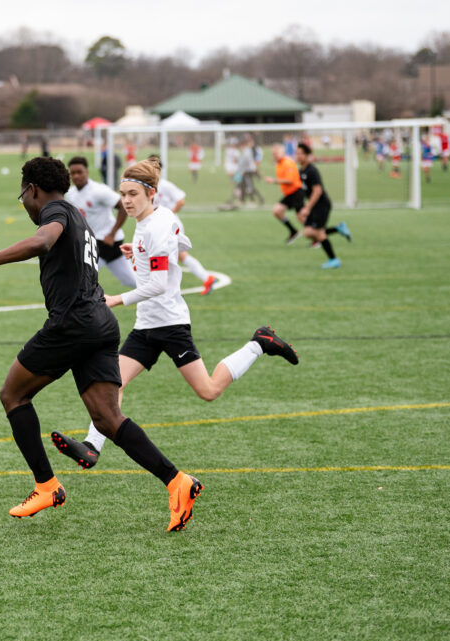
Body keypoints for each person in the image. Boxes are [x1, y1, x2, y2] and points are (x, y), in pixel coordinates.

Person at [0, 156, 204, 532]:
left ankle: (46, 486)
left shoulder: (55, 211)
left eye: (24, 197)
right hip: (101, 323)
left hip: (72, 324)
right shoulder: (80, 216)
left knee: (13, 395)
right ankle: (177, 481)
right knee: (107, 417)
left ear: (32, 189)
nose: (27, 206)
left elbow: (42, 240)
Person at [50, 157, 299, 486]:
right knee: (114, 385)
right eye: (123, 194)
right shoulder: (155, 220)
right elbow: (182, 243)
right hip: (145, 327)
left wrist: (117, 299)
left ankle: (259, 343)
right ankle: (92, 447)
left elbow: (158, 285)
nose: (126, 200)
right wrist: (137, 251)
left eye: (133, 194)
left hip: (170, 325)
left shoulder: (155, 225)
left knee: (208, 391)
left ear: (151, 194)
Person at [65, 156, 135, 288]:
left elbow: (123, 207)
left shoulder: (99, 190)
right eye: (72, 173)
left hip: (106, 241)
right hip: (92, 241)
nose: (76, 176)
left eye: (79, 172)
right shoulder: (70, 194)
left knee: (82, 278)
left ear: (87, 172)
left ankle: (89, 307)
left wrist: (112, 234)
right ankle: (158, 292)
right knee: (131, 281)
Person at [150, 157, 217, 295]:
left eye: (154, 168)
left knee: (166, 255)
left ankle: (166, 289)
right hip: (159, 226)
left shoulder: (165, 185)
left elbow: (181, 201)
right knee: (179, 256)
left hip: (171, 225)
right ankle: (207, 278)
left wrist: (168, 214)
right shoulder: (147, 187)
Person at [295, 142, 351, 269]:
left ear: (307, 155)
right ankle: (338, 229)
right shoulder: (301, 171)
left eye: (300, 154)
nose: (297, 156)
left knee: (317, 233)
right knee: (308, 232)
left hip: (321, 205)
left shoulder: (312, 170)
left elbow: (318, 190)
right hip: (314, 205)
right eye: (296, 153)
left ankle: (334, 260)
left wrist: (307, 208)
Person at [264, 143, 304, 244]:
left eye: (277, 153)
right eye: (273, 153)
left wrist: (274, 181)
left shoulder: (287, 163)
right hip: (289, 194)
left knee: (301, 217)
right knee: (277, 211)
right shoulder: (279, 164)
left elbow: (290, 180)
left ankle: (318, 235)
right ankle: (293, 231)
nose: (275, 155)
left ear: (283, 153)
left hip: (296, 192)